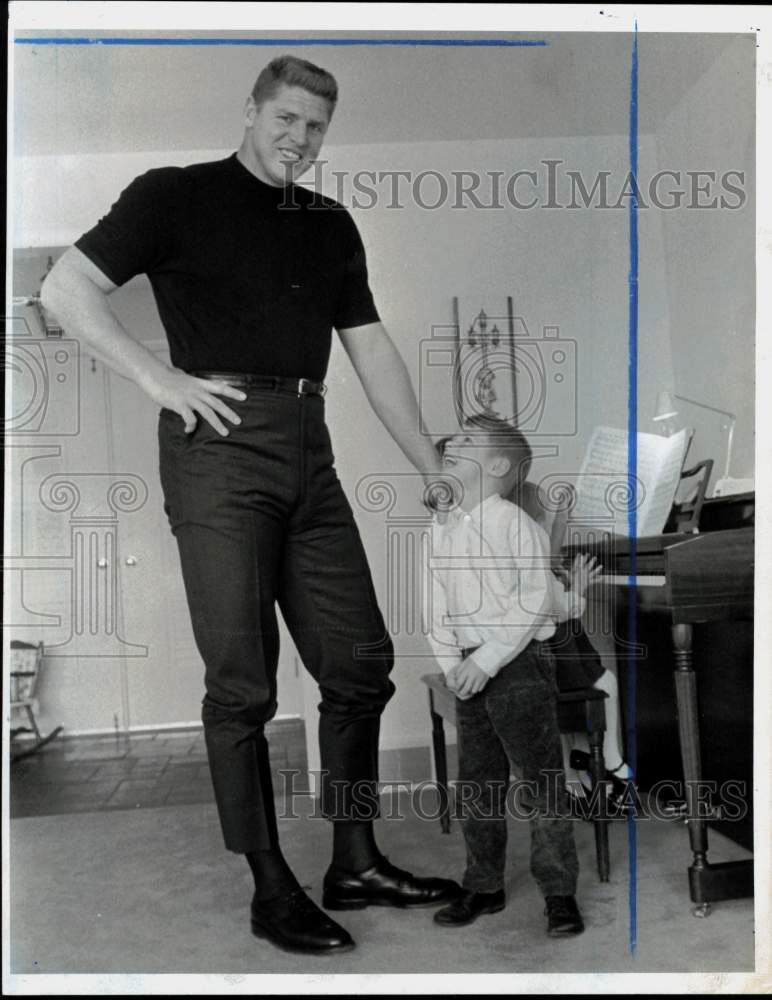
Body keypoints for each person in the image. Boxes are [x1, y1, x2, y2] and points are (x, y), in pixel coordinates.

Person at [40, 55, 460, 956]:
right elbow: (63, 289)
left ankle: (355, 859)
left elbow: (373, 352)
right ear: (251, 111)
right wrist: (161, 380)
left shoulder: (330, 225)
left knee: (359, 664)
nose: (299, 140)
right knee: (243, 683)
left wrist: (430, 462)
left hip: (309, 445)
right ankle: (271, 885)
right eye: (287, 119)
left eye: (316, 128)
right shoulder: (172, 196)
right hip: (217, 453)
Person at [424, 417, 600, 937]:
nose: (451, 444)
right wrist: (452, 662)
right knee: (478, 783)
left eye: (465, 443)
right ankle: (484, 885)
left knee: (541, 781)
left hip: (517, 662)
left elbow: (532, 602)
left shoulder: (513, 522)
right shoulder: (440, 527)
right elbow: (433, 603)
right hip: (469, 666)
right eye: (451, 443)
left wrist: (486, 660)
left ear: (497, 467)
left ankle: (559, 893)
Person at [517, 480, 633, 802]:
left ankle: (592, 767)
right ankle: (601, 764)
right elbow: (553, 603)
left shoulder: (526, 543)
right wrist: (576, 588)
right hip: (540, 651)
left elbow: (549, 556)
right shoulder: (524, 557)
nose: (544, 527)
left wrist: (561, 514)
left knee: (599, 675)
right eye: (540, 520)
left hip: (550, 639)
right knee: (598, 681)